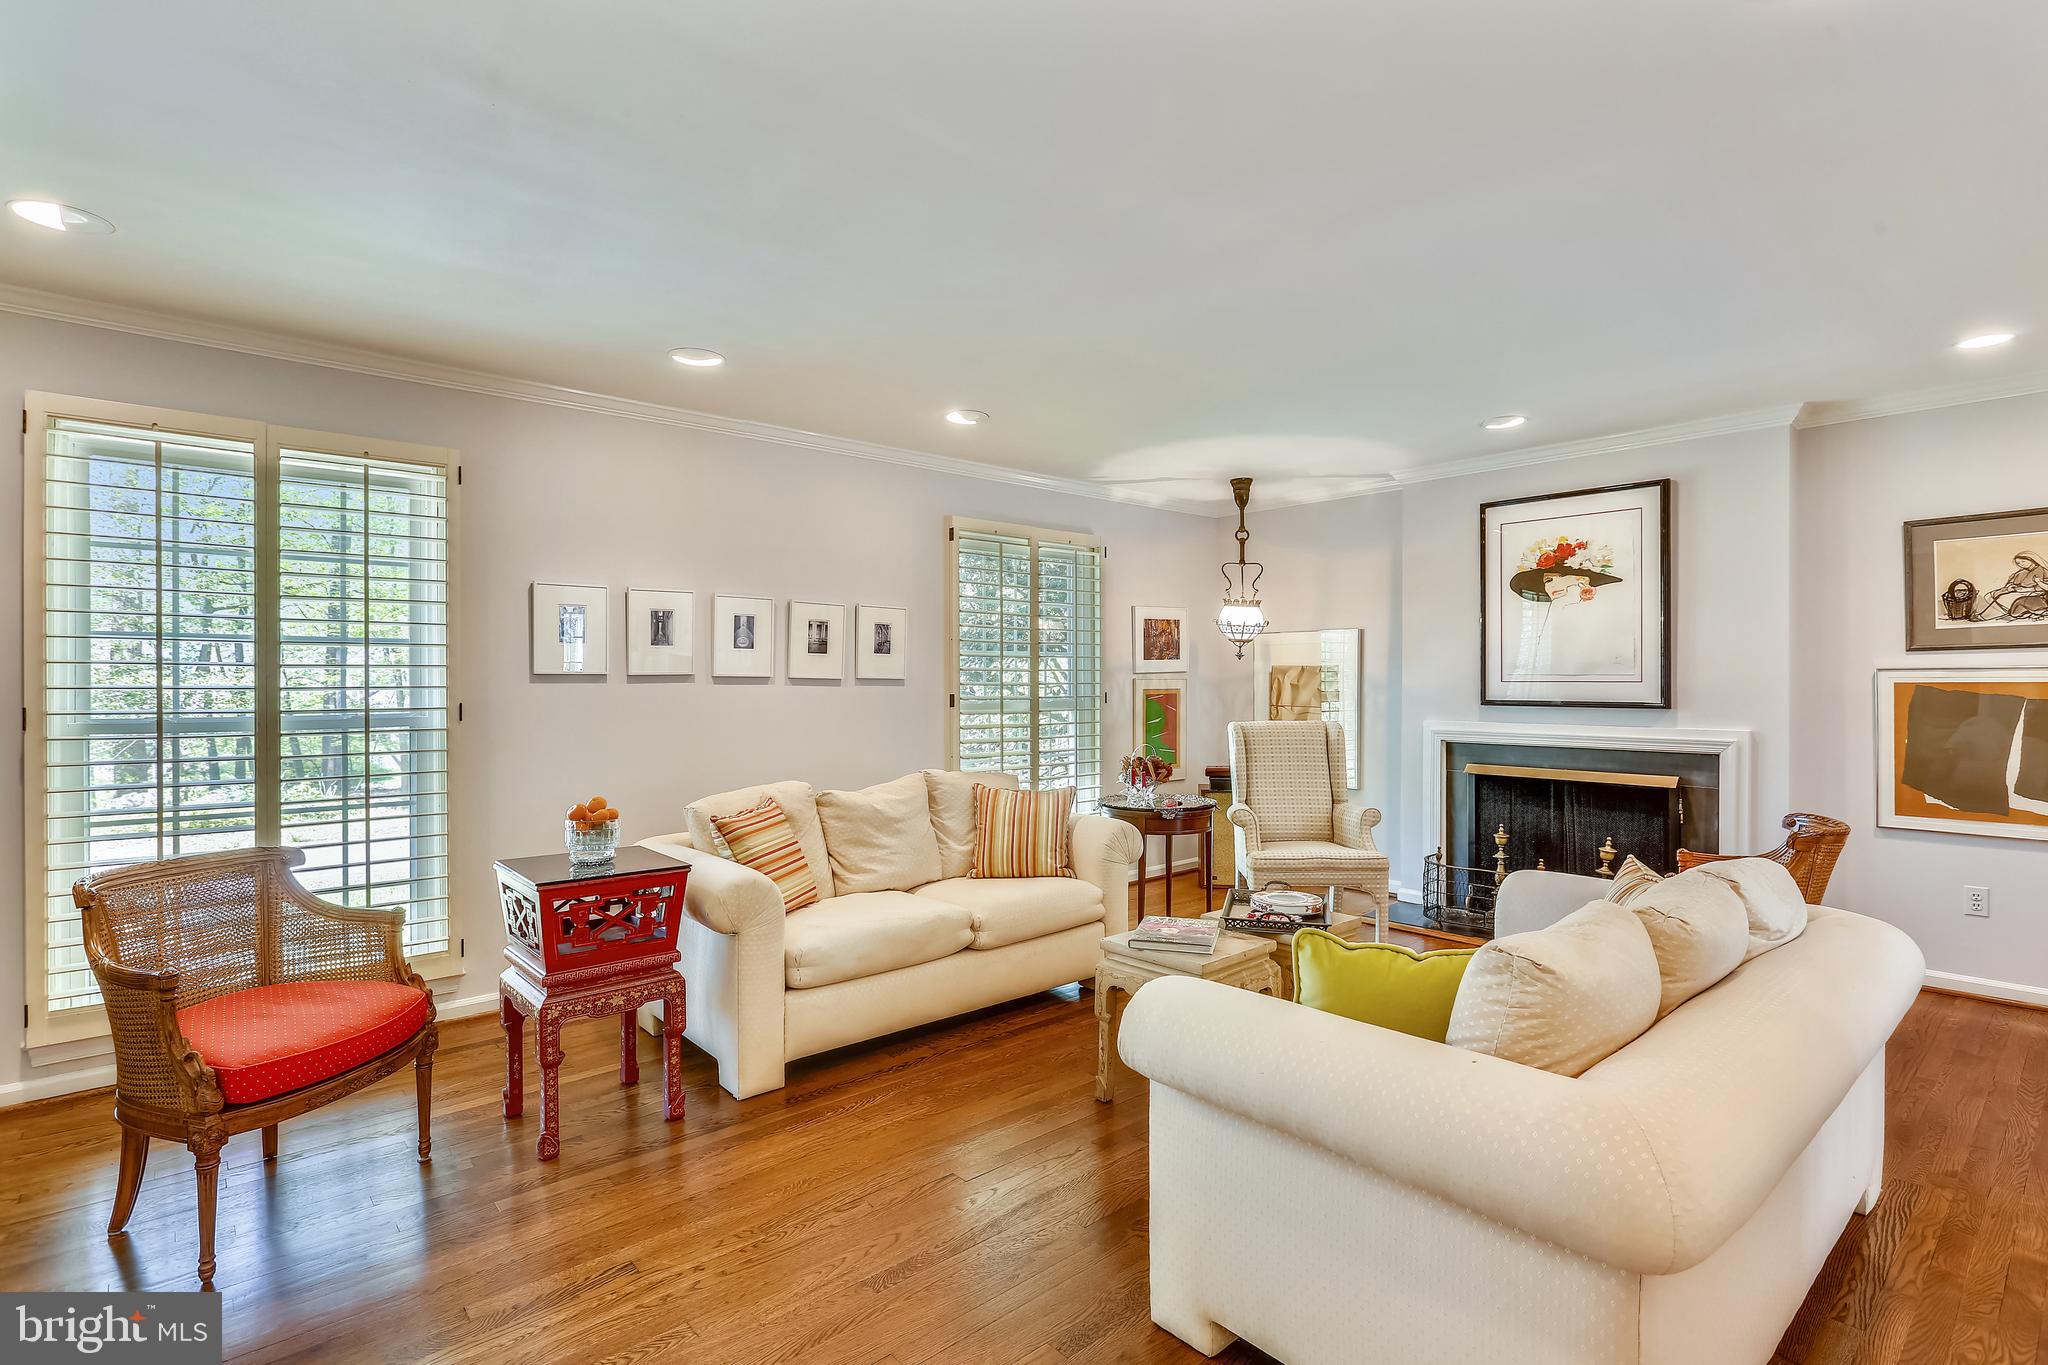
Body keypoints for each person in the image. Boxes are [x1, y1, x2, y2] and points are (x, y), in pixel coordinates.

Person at [1975, 551, 2048, 622]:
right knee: (1995, 594)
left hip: (2037, 594)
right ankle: (1985, 613)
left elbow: (2043, 588)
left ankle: (1986, 616)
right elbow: (2013, 582)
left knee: (2005, 598)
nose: (2021, 564)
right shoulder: (2022, 572)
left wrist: (2027, 589)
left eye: (2023, 561)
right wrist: (2011, 587)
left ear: (2032, 560)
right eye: (2018, 563)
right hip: (2020, 591)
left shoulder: (2042, 570)